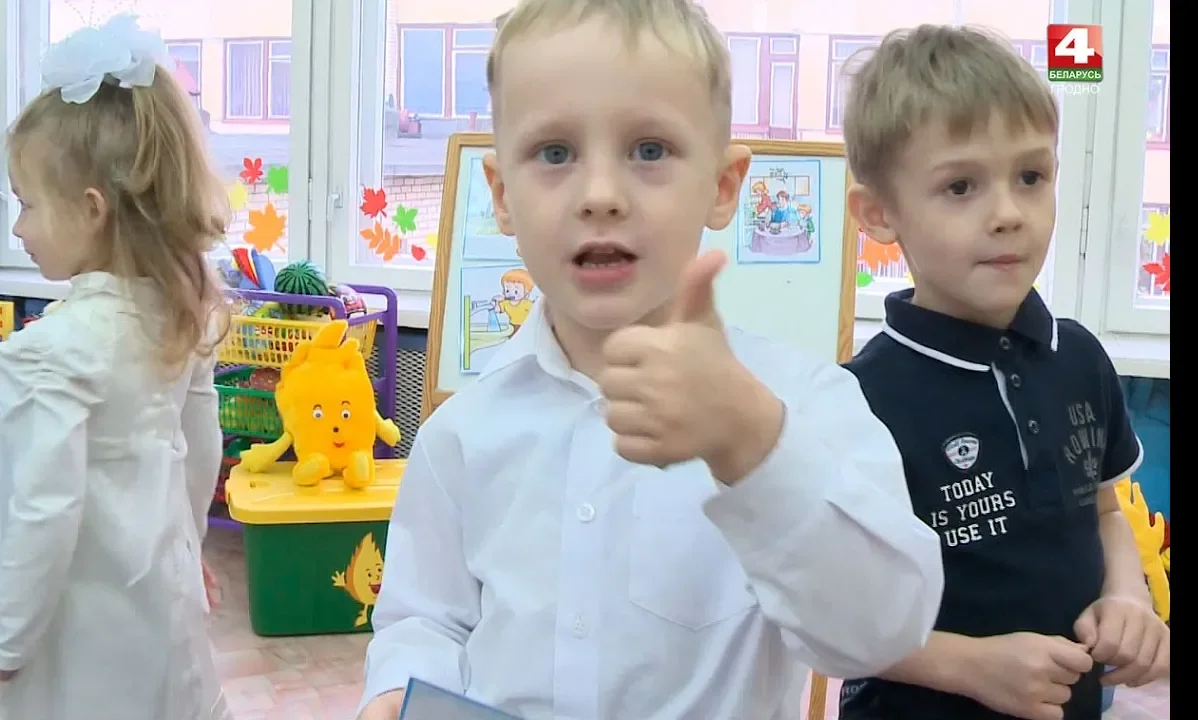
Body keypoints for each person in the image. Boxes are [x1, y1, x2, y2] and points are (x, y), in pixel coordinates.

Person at [358, 1, 945, 718]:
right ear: (503, 197)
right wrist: (396, 690)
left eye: (649, 150)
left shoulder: (806, 402)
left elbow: (881, 631)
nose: (601, 196)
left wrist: (754, 445)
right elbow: (426, 617)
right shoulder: (461, 432)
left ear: (723, 187)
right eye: (555, 154)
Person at [838, 25, 1170, 720]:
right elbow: (828, 614)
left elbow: (1106, 510)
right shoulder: (855, 401)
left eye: (1031, 177)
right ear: (878, 214)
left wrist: (1128, 595)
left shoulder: (1080, 358)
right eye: (960, 185)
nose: (1009, 214)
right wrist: (969, 667)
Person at [0, 14, 232, 720]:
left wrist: (3, 644)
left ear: (91, 210)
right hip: (157, 600)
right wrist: (188, 545)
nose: (18, 227)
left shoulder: (52, 353)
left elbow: (41, 510)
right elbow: (201, 452)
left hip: (76, 628)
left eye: (28, 205)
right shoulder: (180, 318)